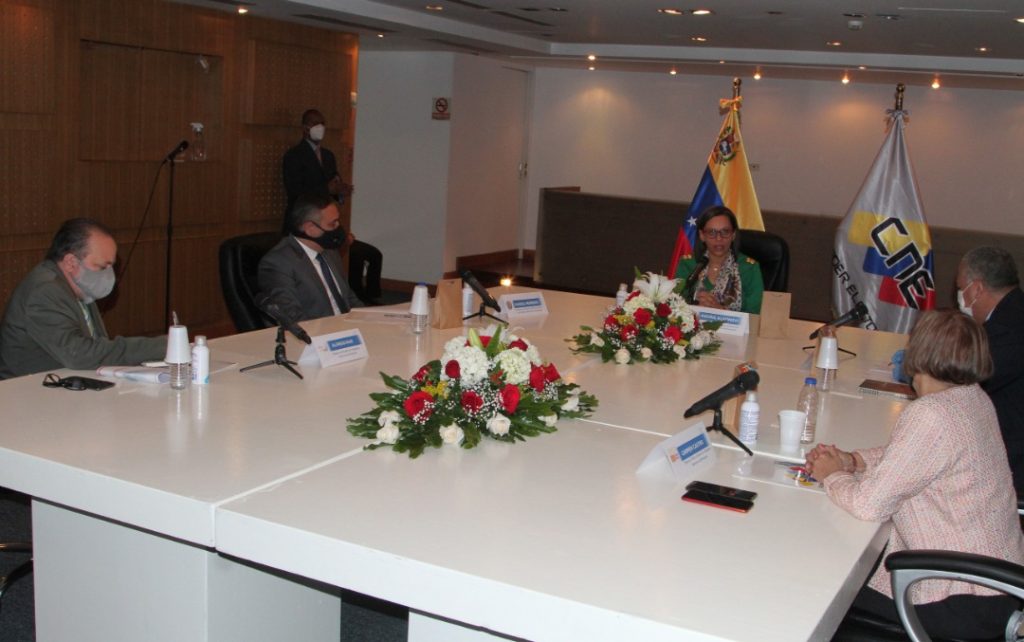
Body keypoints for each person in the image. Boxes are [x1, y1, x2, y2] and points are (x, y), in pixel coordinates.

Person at [807, 310, 1024, 640]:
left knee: (823, 585)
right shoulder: (974, 398)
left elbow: (868, 506)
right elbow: (915, 456)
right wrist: (854, 461)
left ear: (916, 351)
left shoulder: (931, 413)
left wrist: (832, 475)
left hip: (956, 595)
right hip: (998, 585)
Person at [0, 218, 166, 379]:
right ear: (71, 262)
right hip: (28, 391)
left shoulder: (79, 287)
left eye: (111, 267)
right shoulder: (44, 291)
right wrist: (164, 346)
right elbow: (79, 354)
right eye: (102, 267)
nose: (109, 276)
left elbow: (97, 348)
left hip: (65, 383)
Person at [282, 108, 383, 304]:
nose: (320, 127)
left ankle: (364, 300)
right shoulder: (294, 155)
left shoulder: (328, 155)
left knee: (364, 253)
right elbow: (295, 192)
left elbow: (333, 185)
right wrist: (326, 188)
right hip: (305, 222)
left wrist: (340, 191)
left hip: (326, 223)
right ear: (305, 128)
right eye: (315, 123)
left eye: (322, 123)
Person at [956, 246, 1024, 492]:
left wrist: (921, 364)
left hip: (1011, 459)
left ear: (977, 289)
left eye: (961, 289)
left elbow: (964, 379)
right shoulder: (1014, 310)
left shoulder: (1007, 328)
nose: (960, 299)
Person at [258, 194, 363, 323]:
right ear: (310, 228)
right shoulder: (278, 263)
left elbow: (349, 298)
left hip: (347, 326)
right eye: (332, 224)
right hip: (318, 330)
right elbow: (292, 317)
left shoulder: (329, 251)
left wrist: (370, 320)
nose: (338, 227)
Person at [673, 205, 763, 314]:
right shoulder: (688, 264)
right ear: (702, 235)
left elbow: (755, 314)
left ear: (733, 235)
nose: (719, 238)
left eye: (725, 232)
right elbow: (675, 303)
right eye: (712, 232)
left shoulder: (748, 268)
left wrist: (720, 311)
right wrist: (696, 306)